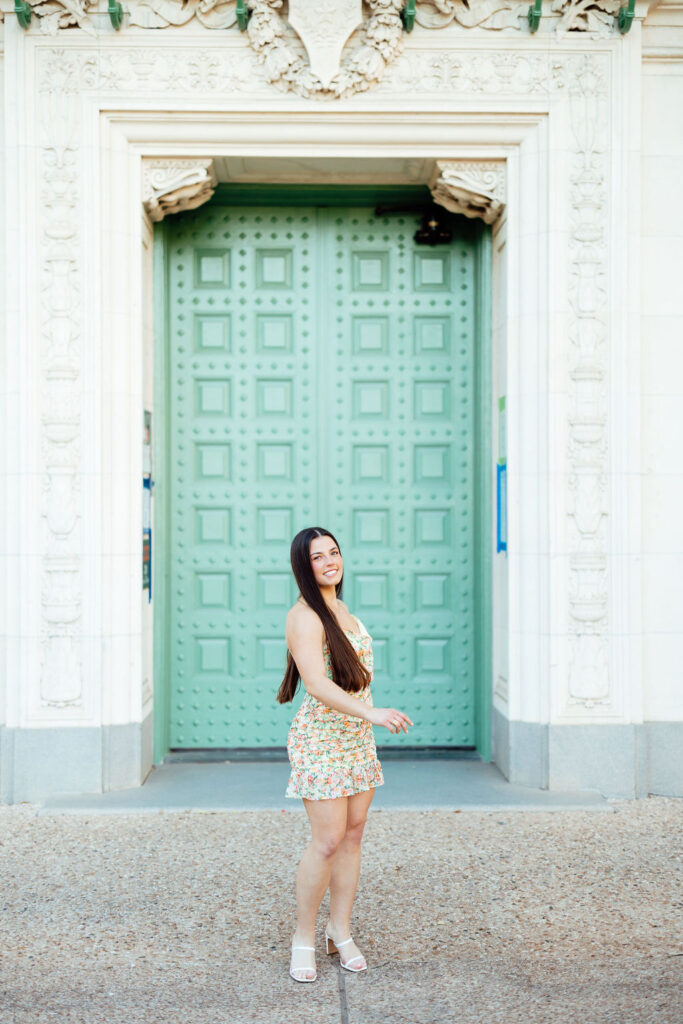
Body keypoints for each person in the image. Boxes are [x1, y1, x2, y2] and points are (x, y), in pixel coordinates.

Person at [277, 526, 413, 983]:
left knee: (354, 835)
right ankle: (303, 939)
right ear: (303, 565)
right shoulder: (304, 616)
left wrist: (366, 720)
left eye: (333, 552)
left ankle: (340, 930)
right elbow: (316, 683)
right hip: (321, 741)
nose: (330, 561)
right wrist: (372, 714)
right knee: (328, 840)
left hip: (355, 738)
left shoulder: (341, 608)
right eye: (318, 557)